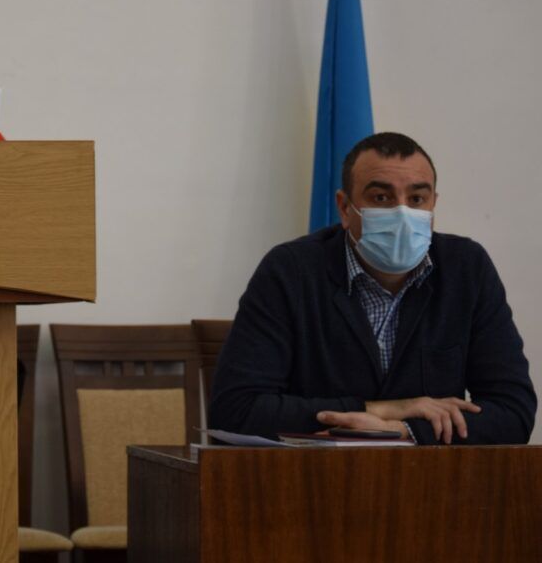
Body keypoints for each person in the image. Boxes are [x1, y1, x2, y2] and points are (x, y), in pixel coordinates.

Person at [209, 132, 536, 445]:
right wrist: (383, 409)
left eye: (417, 199)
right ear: (345, 208)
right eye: (381, 198)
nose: (402, 213)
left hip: (432, 479)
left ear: (433, 205)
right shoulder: (290, 270)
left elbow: (513, 412)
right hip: (315, 477)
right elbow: (234, 412)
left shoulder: (466, 268)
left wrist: (402, 429)